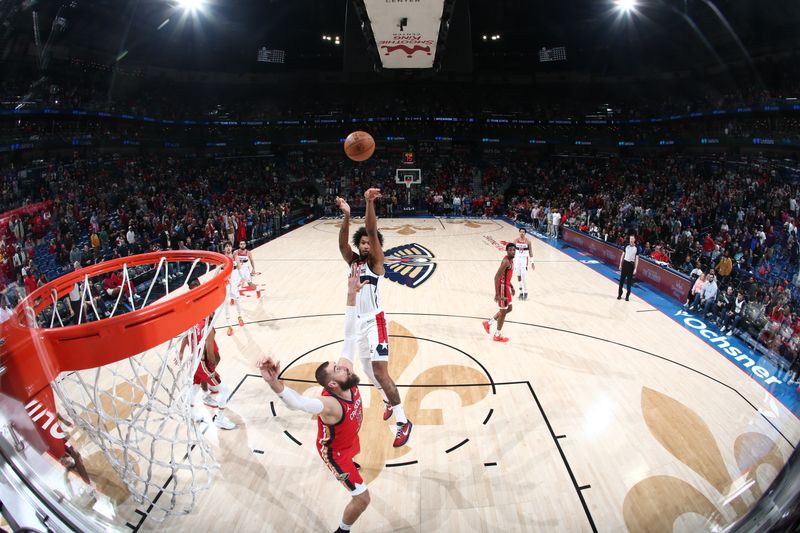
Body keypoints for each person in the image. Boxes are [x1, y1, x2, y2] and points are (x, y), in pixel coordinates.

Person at [257, 269, 370, 533]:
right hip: (335, 452)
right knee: (363, 498)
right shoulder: (328, 404)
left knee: (355, 451)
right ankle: (342, 530)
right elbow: (297, 403)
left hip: (350, 440)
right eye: (338, 368)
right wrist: (274, 383)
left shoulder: (345, 377)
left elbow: (349, 336)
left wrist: (351, 294)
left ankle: (352, 461)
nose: (344, 366)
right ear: (332, 384)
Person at [336, 189, 413, 448]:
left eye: (370, 242)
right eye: (364, 243)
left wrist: (368, 202)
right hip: (358, 323)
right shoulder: (353, 262)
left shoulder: (376, 262)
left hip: (375, 321)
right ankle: (386, 401)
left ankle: (403, 421)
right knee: (368, 371)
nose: (367, 245)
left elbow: (371, 226)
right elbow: (342, 246)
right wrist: (346, 216)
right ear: (360, 245)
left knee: (381, 372)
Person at [180, 280, 235, 430]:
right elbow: (210, 352)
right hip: (202, 362)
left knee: (194, 388)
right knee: (225, 389)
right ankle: (220, 419)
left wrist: (180, 352)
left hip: (194, 360)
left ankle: (191, 414)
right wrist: (211, 370)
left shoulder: (195, 322)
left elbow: (186, 336)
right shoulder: (207, 328)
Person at [482, 242, 516, 342]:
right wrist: (497, 294)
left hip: (506, 287)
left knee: (509, 309)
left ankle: (488, 323)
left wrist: (512, 286)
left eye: (514, 250)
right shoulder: (506, 261)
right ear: (507, 251)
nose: (512, 251)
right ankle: (497, 335)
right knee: (503, 312)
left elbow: (506, 276)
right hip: (502, 289)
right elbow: (497, 277)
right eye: (510, 250)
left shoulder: (511, 261)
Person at [223, 243, 245, 336]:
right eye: (226, 246)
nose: (228, 248)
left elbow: (240, 269)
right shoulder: (222, 258)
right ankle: (229, 326)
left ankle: (240, 316)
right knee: (226, 302)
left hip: (235, 282)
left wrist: (243, 279)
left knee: (237, 300)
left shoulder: (235, 257)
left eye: (229, 246)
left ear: (231, 248)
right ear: (224, 248)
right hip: (226, 283)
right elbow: (217, 270)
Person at [513, 228, 534, 300]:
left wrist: (532, 262)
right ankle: (521, 292)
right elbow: (513, 252)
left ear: (525, 233)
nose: (522, 233)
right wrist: (511, 260)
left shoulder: (528, 241)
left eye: (523, 232)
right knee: (518, 276)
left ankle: (526, 291)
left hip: (524, 261)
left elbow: (530, 252)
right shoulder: (515, 241)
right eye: (521, 232)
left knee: (523, 276)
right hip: (517, 260)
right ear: (519, 232)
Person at [617, 235, 639, 301]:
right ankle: (619, 294)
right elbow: (622, 255)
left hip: (631, 265)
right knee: (621, 281)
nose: (631, 240)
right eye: (630, 239)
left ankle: (627, 296)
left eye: (632, 239)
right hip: (625, 264)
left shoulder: (636, 248)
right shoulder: (626, 246)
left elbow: (637, 259)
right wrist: (620, 264)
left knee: (629, 282)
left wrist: (635, 268)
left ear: (634, 240)